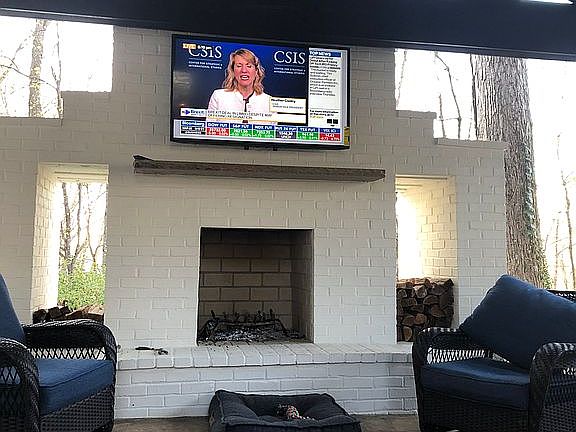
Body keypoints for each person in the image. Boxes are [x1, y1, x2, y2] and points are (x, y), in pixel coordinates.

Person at [207, 48, 272, 116]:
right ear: (233, 70)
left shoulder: (268, 101)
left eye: (249, 66)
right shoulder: (218, 96)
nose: (244, 70)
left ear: (256, 71)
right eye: (239, 66)